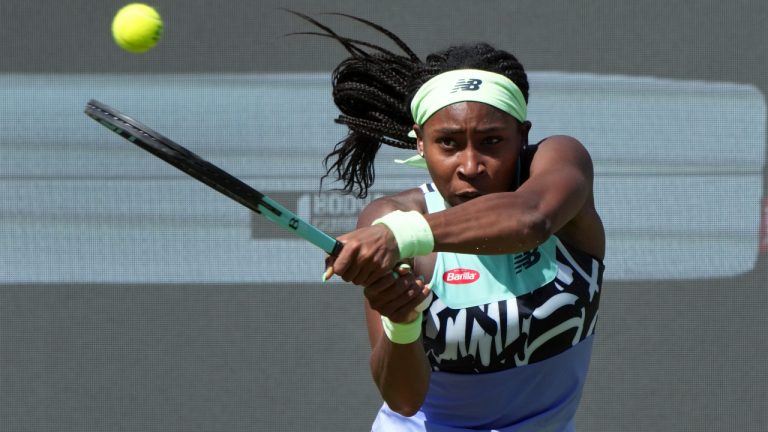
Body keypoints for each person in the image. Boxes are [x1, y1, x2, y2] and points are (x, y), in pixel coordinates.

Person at [294, 12, 606, 431]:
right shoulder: (390, 217)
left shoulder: (559, 170)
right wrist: (402, 324)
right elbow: (403, 401)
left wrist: (402, 237)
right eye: (449, 144)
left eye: (492, 141)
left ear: (523, 135)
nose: (471, 165)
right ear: (420, 143)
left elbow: (530, 220)